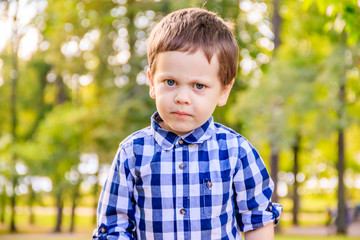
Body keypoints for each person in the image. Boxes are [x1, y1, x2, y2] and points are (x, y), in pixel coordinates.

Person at [92, 7, 282, 240]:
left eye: (198, 86)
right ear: (152, 82)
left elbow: (257, 220)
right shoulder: (132, 153)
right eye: (170, 81)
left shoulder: (237, 152)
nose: (182, 97)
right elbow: (114, 228)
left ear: (224, 91)